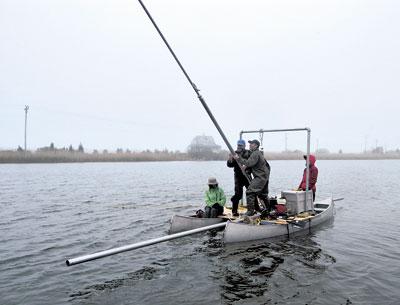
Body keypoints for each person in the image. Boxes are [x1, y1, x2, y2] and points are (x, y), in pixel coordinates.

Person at [234, 139, 270, 216]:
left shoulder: (255, 153)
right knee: (262, 194)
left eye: (252, 144)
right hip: (264, 176)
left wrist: (238, 159)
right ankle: (268, 210)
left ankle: (250, 211)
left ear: (256, 145)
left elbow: (249, 163)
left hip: (260, 177)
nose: (250, 145)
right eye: (249, 144)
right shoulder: (257, 153)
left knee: (250, 192)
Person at [227, 139, 251, 216]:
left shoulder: (248, 153)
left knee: (251, 193)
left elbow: (252, 163)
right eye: (238, 145)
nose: (239, 147)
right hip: (238, 177)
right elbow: (229, 165)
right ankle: (234, 211)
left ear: (244, 146)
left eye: (240, 145)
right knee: (238, 194)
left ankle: (252, 209)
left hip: (247, 175)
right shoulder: (234, 153)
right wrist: (231, 159)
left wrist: (246, 167)